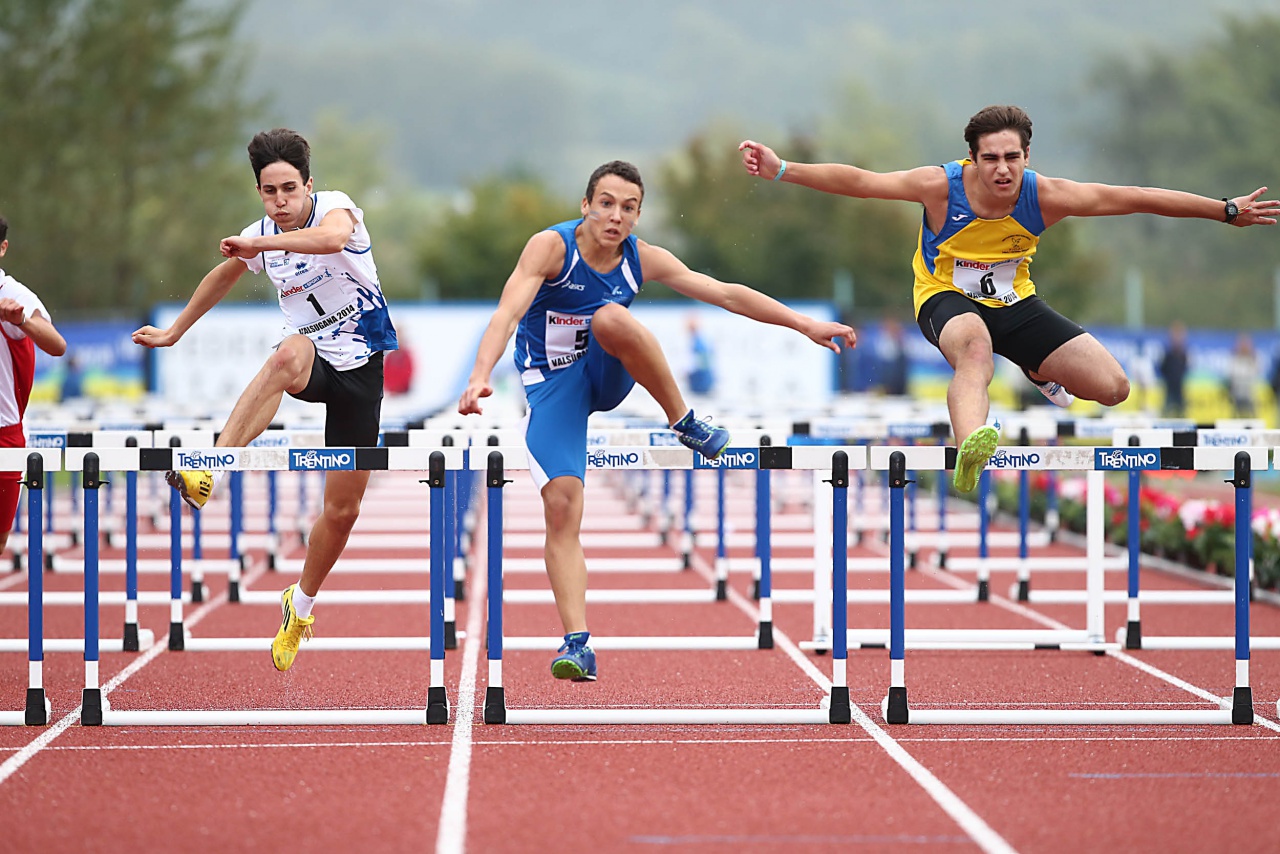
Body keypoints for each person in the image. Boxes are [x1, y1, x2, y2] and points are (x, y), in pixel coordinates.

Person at [739, 105, 1280, 492]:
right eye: (991, 158)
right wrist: (783, 169)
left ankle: (1037, 368)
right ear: (972, 159)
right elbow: (861, 181)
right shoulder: (939, 187)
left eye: (1012, 158)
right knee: (975, 351)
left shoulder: (1047, 196)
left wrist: (1224, 210)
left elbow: (1136, 197)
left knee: (1113, 388)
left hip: (1015, 304)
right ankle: (971, 450)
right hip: (944, 298)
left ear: (1026, 156)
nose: (1002, 169)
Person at [458, 161, 855, 682]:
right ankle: (577, 643)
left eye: (628, 208)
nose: (615, 216)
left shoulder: (641, 259)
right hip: (552, 385)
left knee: (611, 317)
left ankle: (683, 420)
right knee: (561, 505)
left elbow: (725, 293)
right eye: (606, 204)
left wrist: (803, 324)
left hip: (606, 373)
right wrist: (480, 375)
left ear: (638, 215)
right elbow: (507, 315)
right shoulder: (551, 248)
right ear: (585, 205)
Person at [132, 128, 398, 672]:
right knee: (285, 355)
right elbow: (223, 275)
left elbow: (330, 241)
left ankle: (300, 605)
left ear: (308, 185)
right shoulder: (259, 234)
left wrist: (261, 246)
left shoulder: (336, 208)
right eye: (270, 192)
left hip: (361, 367)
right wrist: (176, 331)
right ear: (259, 191)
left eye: (289, 189)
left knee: (342, 511)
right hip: (312, 360)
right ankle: (210, 466)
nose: (280, 202)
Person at [0, 214, 68, 554]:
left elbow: (57, 345)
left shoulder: (13, 294)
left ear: (2, 249)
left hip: (4, 434)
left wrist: (22, 319)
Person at [1158, 321, 1189, 417]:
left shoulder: (1183, 355)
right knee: (1167, 409)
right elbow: (1162, 368)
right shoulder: (1168, 354)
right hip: (1169, 386)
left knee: (1182, 410)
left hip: (1179, 386)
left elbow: (1186, 369)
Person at [1225, 333, 1259, 418]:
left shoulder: (1253, 358)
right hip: (1236, 392)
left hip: (1249, 393)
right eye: (1242, 344)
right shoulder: (1234, 358)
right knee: (1235, 415)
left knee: (1253, 414)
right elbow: (1231, 373)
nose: (1244, 347)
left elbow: (1255, 372)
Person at [684, 313, 716, 395]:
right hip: (705, 380)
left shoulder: (699, 343)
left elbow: (703, 364)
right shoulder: (702, 340)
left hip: (701, 382)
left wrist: (690, 375)